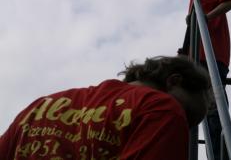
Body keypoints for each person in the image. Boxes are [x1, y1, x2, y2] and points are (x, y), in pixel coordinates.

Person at [0, 56, 210, 160]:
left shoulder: (39, 107)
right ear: (174, 81)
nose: (183, 127)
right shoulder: (162, 108)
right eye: (187, 116)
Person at [178, 0, 231, 160]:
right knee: (197, 106)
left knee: (214, 106)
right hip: (196, 53)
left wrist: (205, 17)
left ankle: (222, 155)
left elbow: (230, 1)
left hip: (212, 51)